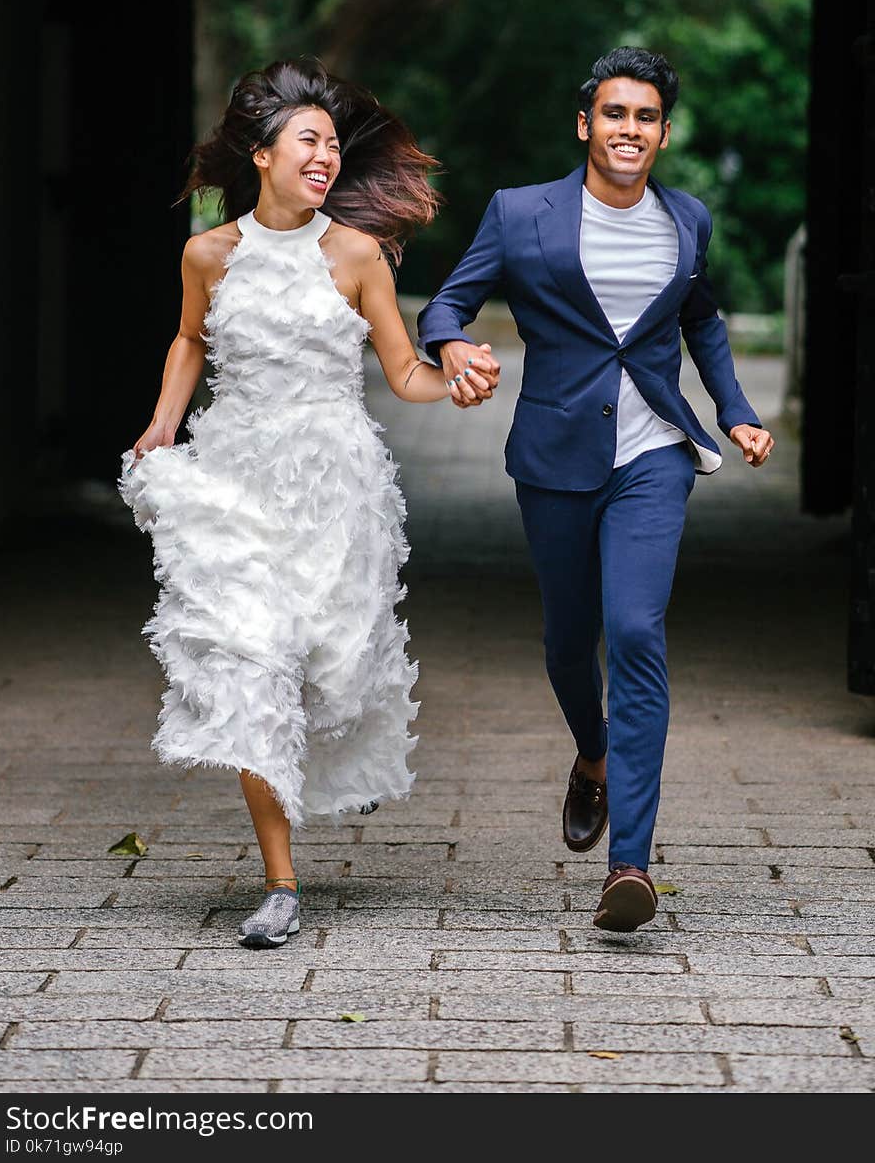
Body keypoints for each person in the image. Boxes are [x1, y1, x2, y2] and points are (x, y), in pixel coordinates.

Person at [120, 58, 499, 949]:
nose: (325, 155)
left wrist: (459, 379)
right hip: (236, 479)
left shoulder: (358, 255)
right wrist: (160, 428)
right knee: (253, 667)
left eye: (332, 143)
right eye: (308, 141)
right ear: (261, 154)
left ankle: (341, 751)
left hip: (335, 487)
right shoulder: (208, 254)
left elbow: (404, 374)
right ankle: (281, 883)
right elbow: (186, 341)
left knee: (334, 668)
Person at [418, 47, 774, 932]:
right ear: (586, 125)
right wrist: (455, 348)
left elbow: (701, 321)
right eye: (614, 114)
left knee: (635, 630)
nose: (629, 130)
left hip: (654, 451)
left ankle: (631, 866)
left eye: (646, 117)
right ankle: (592, 755)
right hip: (556, 454)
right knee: (567, 644)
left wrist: (733, 409)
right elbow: (444, 308)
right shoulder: (520, 212)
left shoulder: (687, 219)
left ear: (662, 131)